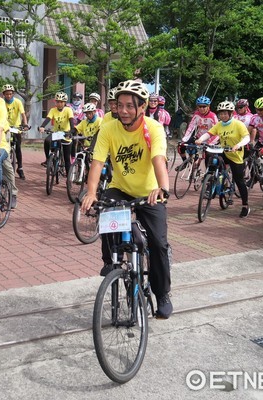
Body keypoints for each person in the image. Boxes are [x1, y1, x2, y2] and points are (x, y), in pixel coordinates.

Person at [80, 80, 173, 319]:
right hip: (120, 188)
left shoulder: (153, 128)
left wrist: (163, 187)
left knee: (158, 244)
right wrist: (91, 193)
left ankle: (162, 293)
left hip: (150, 191)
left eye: (129, 106)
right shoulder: (109, 128)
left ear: (142, 107)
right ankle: (112, 262)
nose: (123, 110)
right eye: (120, 105)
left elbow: (159, 159)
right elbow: (97, 163)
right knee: (106, 210)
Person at [196, 101, 251, 218]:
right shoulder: (220, 124)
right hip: (223, 152)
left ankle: (245, 205)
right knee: (212, 158)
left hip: (235, 155)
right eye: (221, 114)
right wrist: (201, 139)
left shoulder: (238, 124)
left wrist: (238, 145)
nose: (223, 116)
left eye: (225, 113)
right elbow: (209, 133)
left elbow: (246, 137)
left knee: (239, 180)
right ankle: (212, 179)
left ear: (231, 114)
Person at [38, 92, 74, 174]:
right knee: (47, 141)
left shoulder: (68, 110)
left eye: (61, 102)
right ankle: (48, 159)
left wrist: (71, 131)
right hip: (56, 133)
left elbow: (72, 122)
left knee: (66, 158)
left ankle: (68, 180)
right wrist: (42, 126)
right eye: (57, 102)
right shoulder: (53, 110)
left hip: (65, 134)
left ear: (65, 103)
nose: (59, 104)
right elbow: (48, 119)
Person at [178, 96, 218, 162]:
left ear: (208, 106)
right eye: (200, 106)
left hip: (210, 140)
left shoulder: (212, 116)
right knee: (180, 146)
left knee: (207, 157)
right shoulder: (196, 114)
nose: (202, 108)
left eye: (204, 106)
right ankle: (185, 162)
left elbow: (217, 132)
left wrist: (210, 142)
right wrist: (185, 138)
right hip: (198, 138)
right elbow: (191, 127)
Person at [2, 84, 29, 180]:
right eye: (6, 94)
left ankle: (20, 168)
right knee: (4, 146)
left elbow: (23, 114)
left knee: (18, 147)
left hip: (16, 127)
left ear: (13, 94)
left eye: (10, 94)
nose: (8, 96)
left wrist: (25, 124)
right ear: (3, 94)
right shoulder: (1, 102)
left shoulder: (18, 102)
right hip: (5, 127)